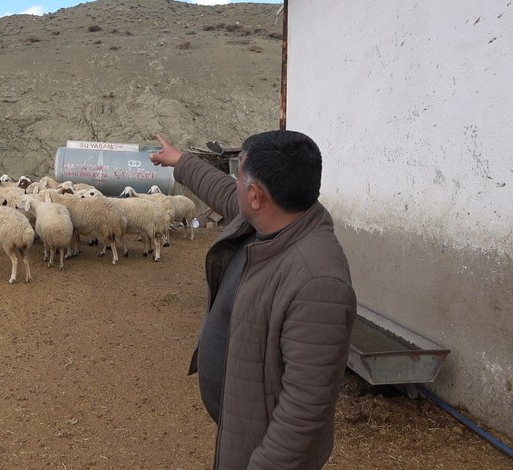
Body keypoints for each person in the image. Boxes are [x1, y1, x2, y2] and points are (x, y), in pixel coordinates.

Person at [149, 130, 357, 470]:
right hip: (242, 426)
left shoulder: (318, 282)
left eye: (239, 177)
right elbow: (221, 191)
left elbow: (303, 411)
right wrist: (181, 161)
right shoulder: (270, 219)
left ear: (256, 195)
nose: (233, 184)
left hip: (262, 448)